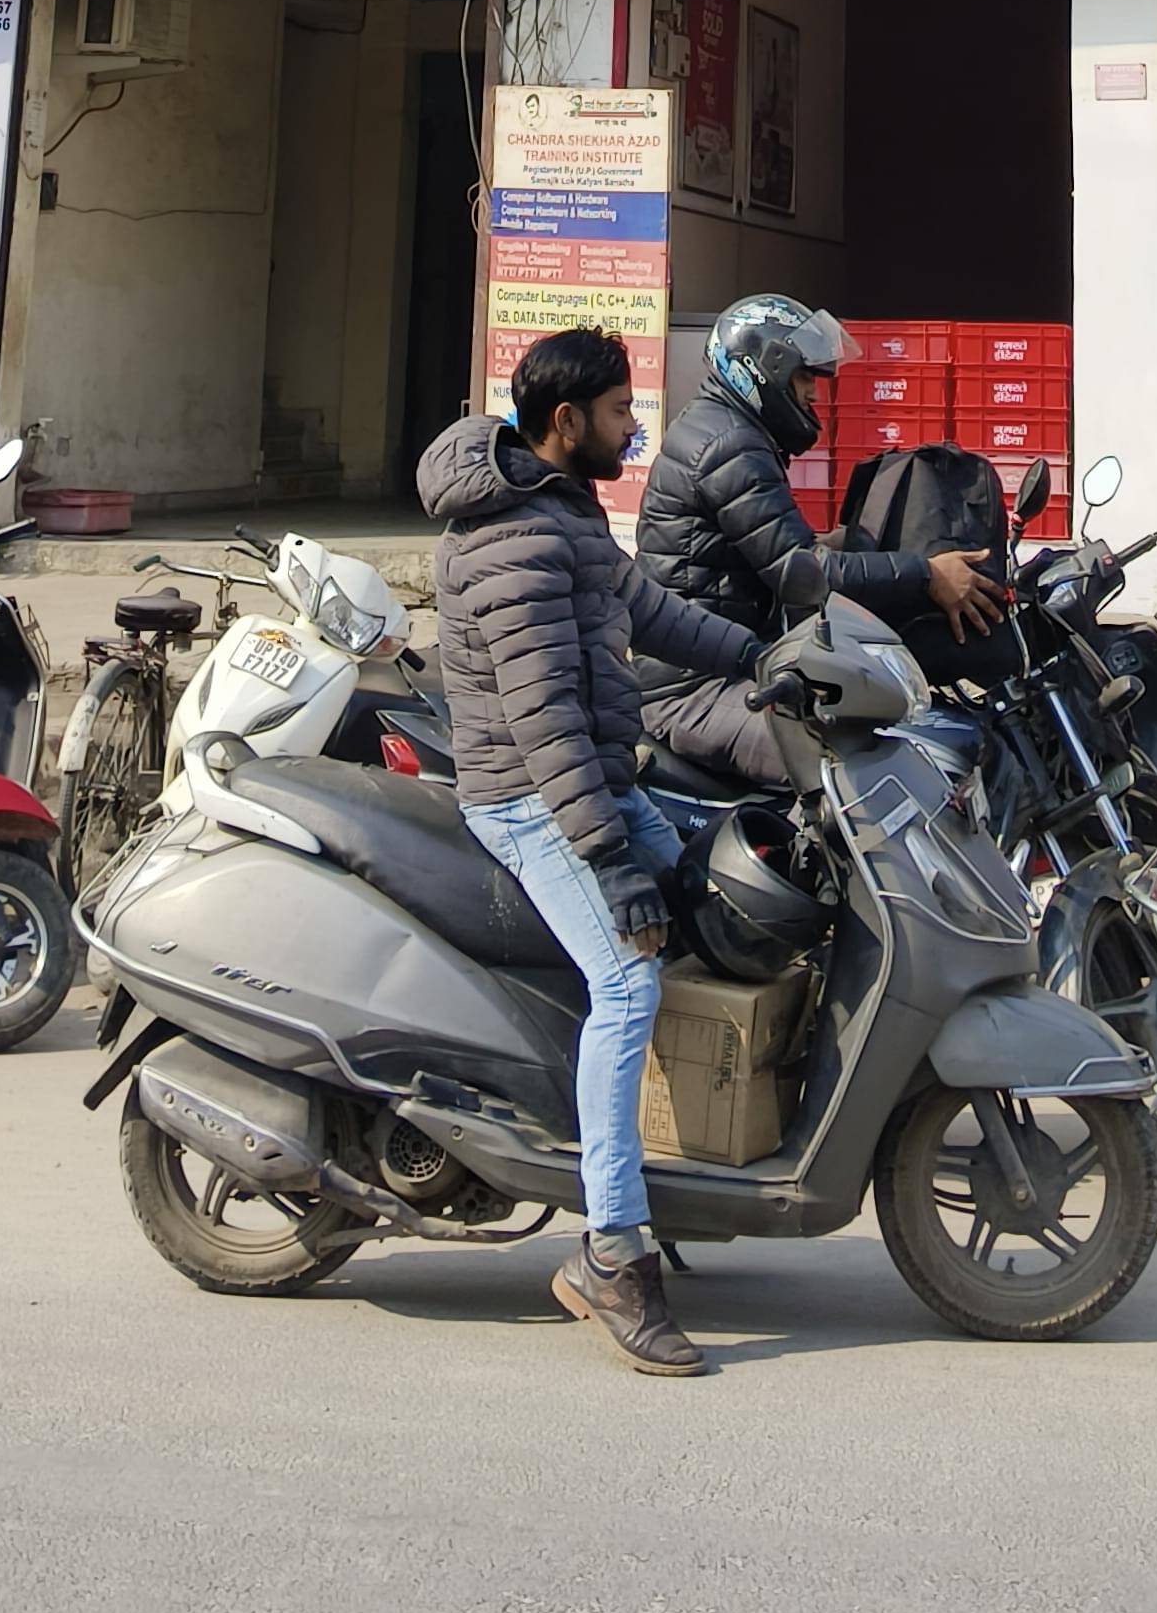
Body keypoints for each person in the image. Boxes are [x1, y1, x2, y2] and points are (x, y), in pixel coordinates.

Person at [417, 328, 761, 1379]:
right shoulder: (511, 541)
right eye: (619, 413)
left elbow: (644, 608)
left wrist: (768, 658)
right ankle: (611, 1252)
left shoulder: (557, 508)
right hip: (534, 800)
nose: (633, 428)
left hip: (591, 785)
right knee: (627, 979)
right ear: (566, 423)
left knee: (719, 893)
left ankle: (671, 1166)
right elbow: (545, 725)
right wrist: (609, 858)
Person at [633, 294, 1002, 786]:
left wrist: (871, 540)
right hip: (697, 690)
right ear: (763, 368)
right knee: (858, 767)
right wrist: (926, 575)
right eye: (804, 376)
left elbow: (779, 546)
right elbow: (801, 571)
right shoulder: (729, 446)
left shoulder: (728, 429)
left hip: (738, 666)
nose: (812, 392)